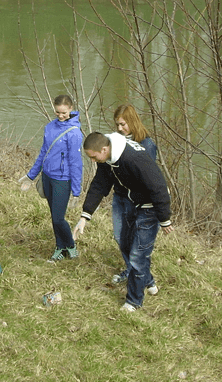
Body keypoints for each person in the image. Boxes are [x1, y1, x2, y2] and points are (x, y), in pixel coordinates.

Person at [73, 132, 174, 312]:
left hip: (151, 206)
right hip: (132, 201)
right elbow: (99, 185)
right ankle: (147, 279)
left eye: (94, 157)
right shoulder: (107, 159)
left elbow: (158, 187)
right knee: (126, 244)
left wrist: (165, 219)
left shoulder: (133, 158)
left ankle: (133, 301)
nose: (93, 161)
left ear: (103, 149)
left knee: (138, 254)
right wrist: (84, 216)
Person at [25, 94, 83, 263]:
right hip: (47, 177)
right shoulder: (50, 127)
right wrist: (31, 176)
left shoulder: (74, 133)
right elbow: (43, 153)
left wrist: (76, 191)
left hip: (62, 180)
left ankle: (70, 246)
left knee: (59, 218)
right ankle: (60, 247)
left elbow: (76, 163)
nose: (60, 116)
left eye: (64, 113)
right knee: (53, 215)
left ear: (71, 109)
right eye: (57, 112)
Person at [112, 104, 158, 284]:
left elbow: (149, 177)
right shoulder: (117, 141)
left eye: (123, 124)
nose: (120, 128)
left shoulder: (147, 144)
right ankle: (133, 271)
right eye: (117, 125)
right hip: (119, 197)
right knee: (120, 236)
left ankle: (140, 277)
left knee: (136, 243)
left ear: (132, 121)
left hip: (136, 201)